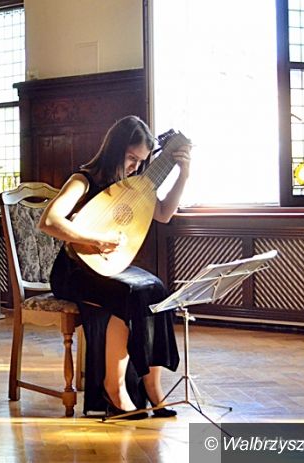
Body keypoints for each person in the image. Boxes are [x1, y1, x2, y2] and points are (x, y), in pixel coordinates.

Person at [38, 115, 191, 418]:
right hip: (73, 271)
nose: (135, 166)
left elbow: (163, 214)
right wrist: (96, 239)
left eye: (141, 161)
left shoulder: (134, 187)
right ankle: (114, 387)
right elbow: (49, 221)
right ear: (114, 149)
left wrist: (183, 175)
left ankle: (152, 387)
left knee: (158, 291)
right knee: (130, 294)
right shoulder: (83, 179)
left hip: (106, 267)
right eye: (131, 158)